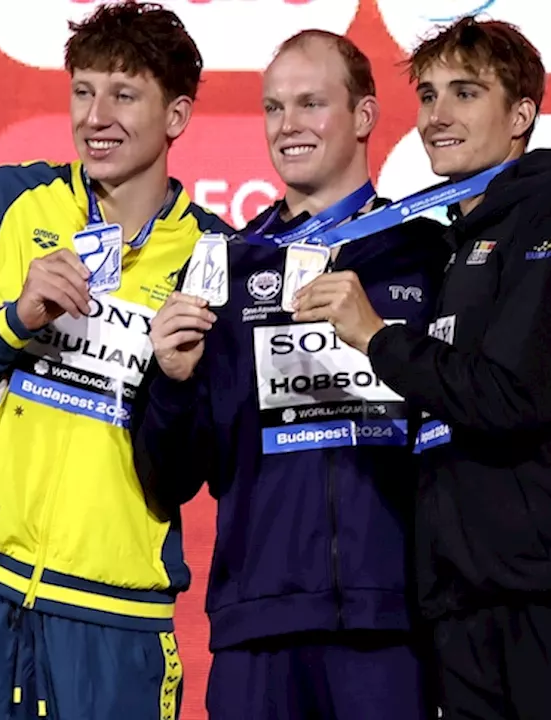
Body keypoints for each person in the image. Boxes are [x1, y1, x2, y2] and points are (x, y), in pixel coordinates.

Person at [290, 16, 551, 720]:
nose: (437, 116)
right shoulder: (452, 246)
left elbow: (511, 397)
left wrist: (376, 338)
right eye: (429, 96)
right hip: (465, 609)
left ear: (521, 113)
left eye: (465, 94)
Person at [0, 3, 231, 718]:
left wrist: (175, 379)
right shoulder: (6, 202)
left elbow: (205, 468)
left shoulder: (214, 257)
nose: (95, 116)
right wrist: (13, 323)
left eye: (124, 95)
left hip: (117, 616)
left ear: (178, 116)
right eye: (82, 91)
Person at [130, 30, 450, 720]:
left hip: (392, 623)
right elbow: (168, 477)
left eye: (311, 103)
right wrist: (172, 383)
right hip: (260, 626)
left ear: (364, 117)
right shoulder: (227, 268)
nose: (288, 126)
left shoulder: (425, 254)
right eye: (274, 108)